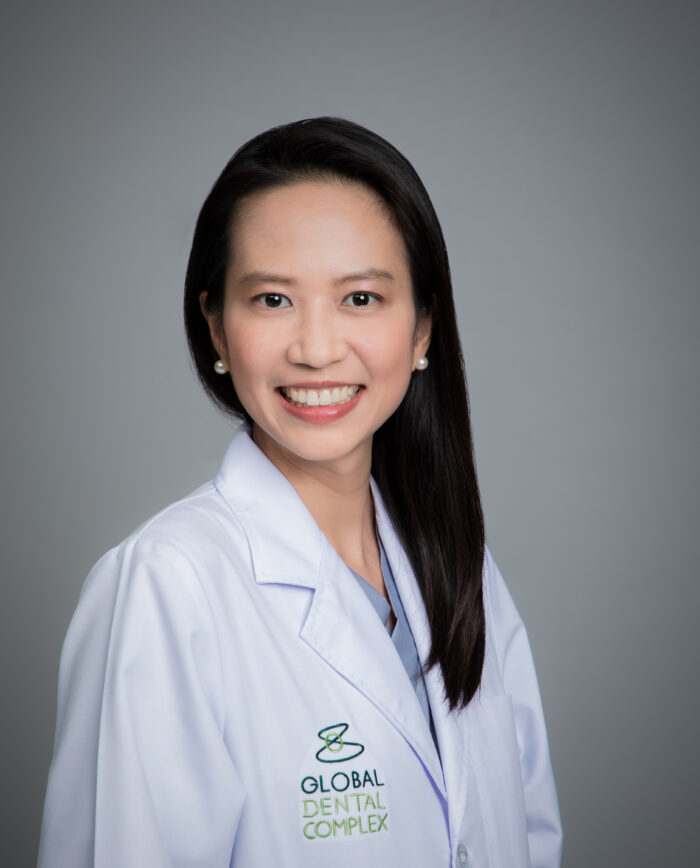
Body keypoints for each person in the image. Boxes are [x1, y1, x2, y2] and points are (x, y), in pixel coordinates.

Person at [38, 117, 562, 867]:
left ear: (422, 330)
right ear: (216, 328)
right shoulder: (166, 586)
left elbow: (527, 836)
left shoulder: (458, 565)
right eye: (273, 300)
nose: (316, 350)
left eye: (361, 298)